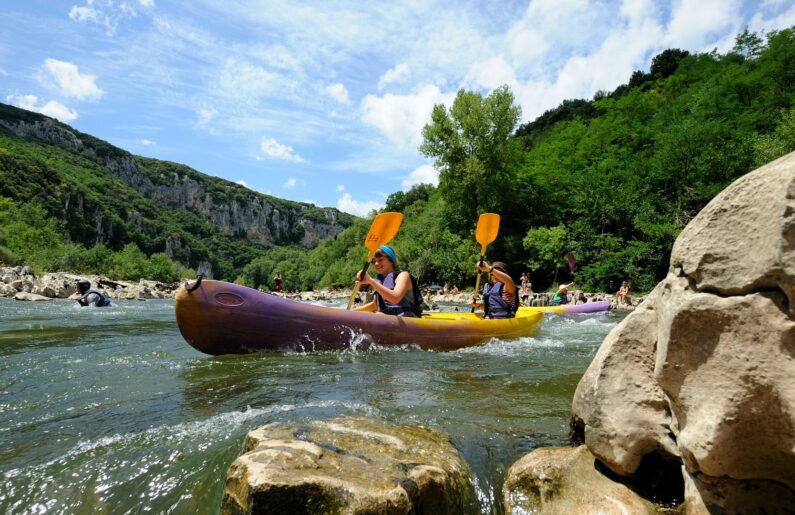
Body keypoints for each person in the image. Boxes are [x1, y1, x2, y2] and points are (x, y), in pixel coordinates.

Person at [353, 245, 422, 317]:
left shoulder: (403, 276)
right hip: (389, 320)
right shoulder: (379, 281)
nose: (376, 263)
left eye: (380, 260)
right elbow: (374, 306)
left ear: (391, 261)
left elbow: (395, 298)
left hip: (407, 320)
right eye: (373, 261)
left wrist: (370, 281)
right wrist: (350, 312)